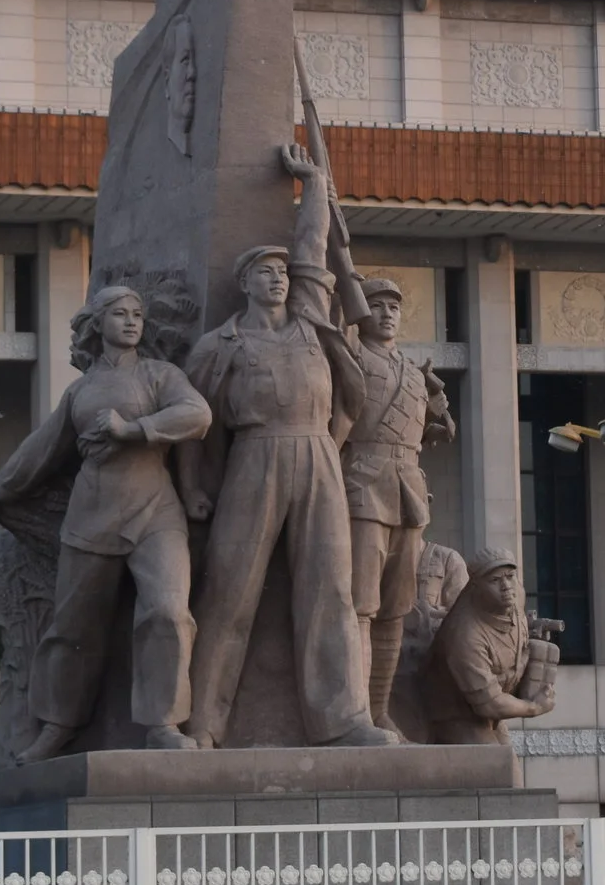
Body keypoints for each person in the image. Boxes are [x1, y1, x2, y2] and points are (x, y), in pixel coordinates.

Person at [178, 143, 393, 748]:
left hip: (318, 456)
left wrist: (314, 183)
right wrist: (192, 487)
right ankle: (203, 722)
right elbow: (192, 423)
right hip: (255, 458)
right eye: (264, 272)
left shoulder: (310, 321)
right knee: (229, 591)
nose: (278, 277)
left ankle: (343, 719)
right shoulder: (219, 346)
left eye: (281, 272)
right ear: (244, 284)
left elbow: (312, 247)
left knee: (332, 590)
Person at [0, 285, 212, 760]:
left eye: (137, 315)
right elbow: (42, 448)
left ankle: (164, 722)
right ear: (98, 324)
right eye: (119, 314)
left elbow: (197, 414)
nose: (131, 322)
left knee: (169, 613)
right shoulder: (81, 390)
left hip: (156, 511)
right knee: (73, 626)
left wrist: (133, 430)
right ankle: (58, 725)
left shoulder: (161, 375)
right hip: (92, 514)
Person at [338, 276, 455, 734]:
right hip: (363, 483)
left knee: (395, 608)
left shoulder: (413, 370)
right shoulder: (350, 356)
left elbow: (430, 429)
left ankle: (379, 709)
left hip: (408, 490)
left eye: (394, 307)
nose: (387, 314)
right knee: (361, 605)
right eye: (377, 305)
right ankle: (354, 713)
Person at [421, 547, 558, 746]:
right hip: (455, 712)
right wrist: (534, 707)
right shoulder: (465, 634)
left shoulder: (516, 595)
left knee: (508, 758)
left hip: (491, 709)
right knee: (492, 759)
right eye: (494, 580)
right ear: (476, 586)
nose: (506, 587)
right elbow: (489, 703)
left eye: (510, 576)